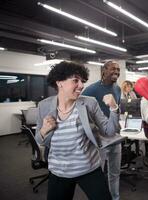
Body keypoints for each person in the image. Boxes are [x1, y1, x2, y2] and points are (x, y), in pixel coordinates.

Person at [35, 61, 120, 200]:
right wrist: (44, 130)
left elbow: (109, 131)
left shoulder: (89, 103)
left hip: (89, 169)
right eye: (75, 80)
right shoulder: (44, 106)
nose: (81, 85)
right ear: (59, 82)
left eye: (82, 81)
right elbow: (39, 140)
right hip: (59, 171)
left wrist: (114, 108)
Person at [82, 60, 121, 200]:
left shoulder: (117, 88)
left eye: (118, 69)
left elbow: (116, 108)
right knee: (98, 174)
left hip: (115, 136)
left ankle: (115, 198)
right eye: (113, 69)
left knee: (115, 173)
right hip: (100, 139)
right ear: (104, 70)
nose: (116, 72)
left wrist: (117, 120)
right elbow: (81, 110)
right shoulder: (91, 90)